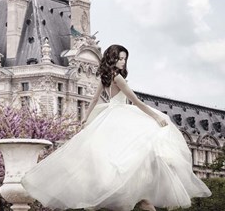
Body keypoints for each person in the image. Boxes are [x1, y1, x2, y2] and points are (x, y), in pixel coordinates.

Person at [21, 44, 211, 211]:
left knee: (116, 158)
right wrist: (155, 116)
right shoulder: (118, 78)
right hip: (121, 113)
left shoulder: (104, 77)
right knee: (139, 151)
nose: (123, 62)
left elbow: (95, 100)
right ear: (113, 59)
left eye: (125, 59)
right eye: (120, 59)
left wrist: (84, 121)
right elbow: (135, 101)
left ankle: (123, 192)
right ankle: (138, 190)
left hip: (109, 115)